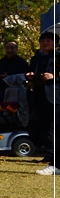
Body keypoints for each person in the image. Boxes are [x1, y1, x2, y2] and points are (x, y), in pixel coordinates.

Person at [27, 31, 56, 175]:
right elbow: (32, 72)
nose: (45, 43)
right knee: (45, 128)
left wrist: (53, 76)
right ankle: (50, 156)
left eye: (49, 40)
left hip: (55, 96)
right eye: (43, 40)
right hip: (39, 96)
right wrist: (30, 76)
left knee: (54, 128)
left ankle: (55, 163)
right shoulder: (36, 58)